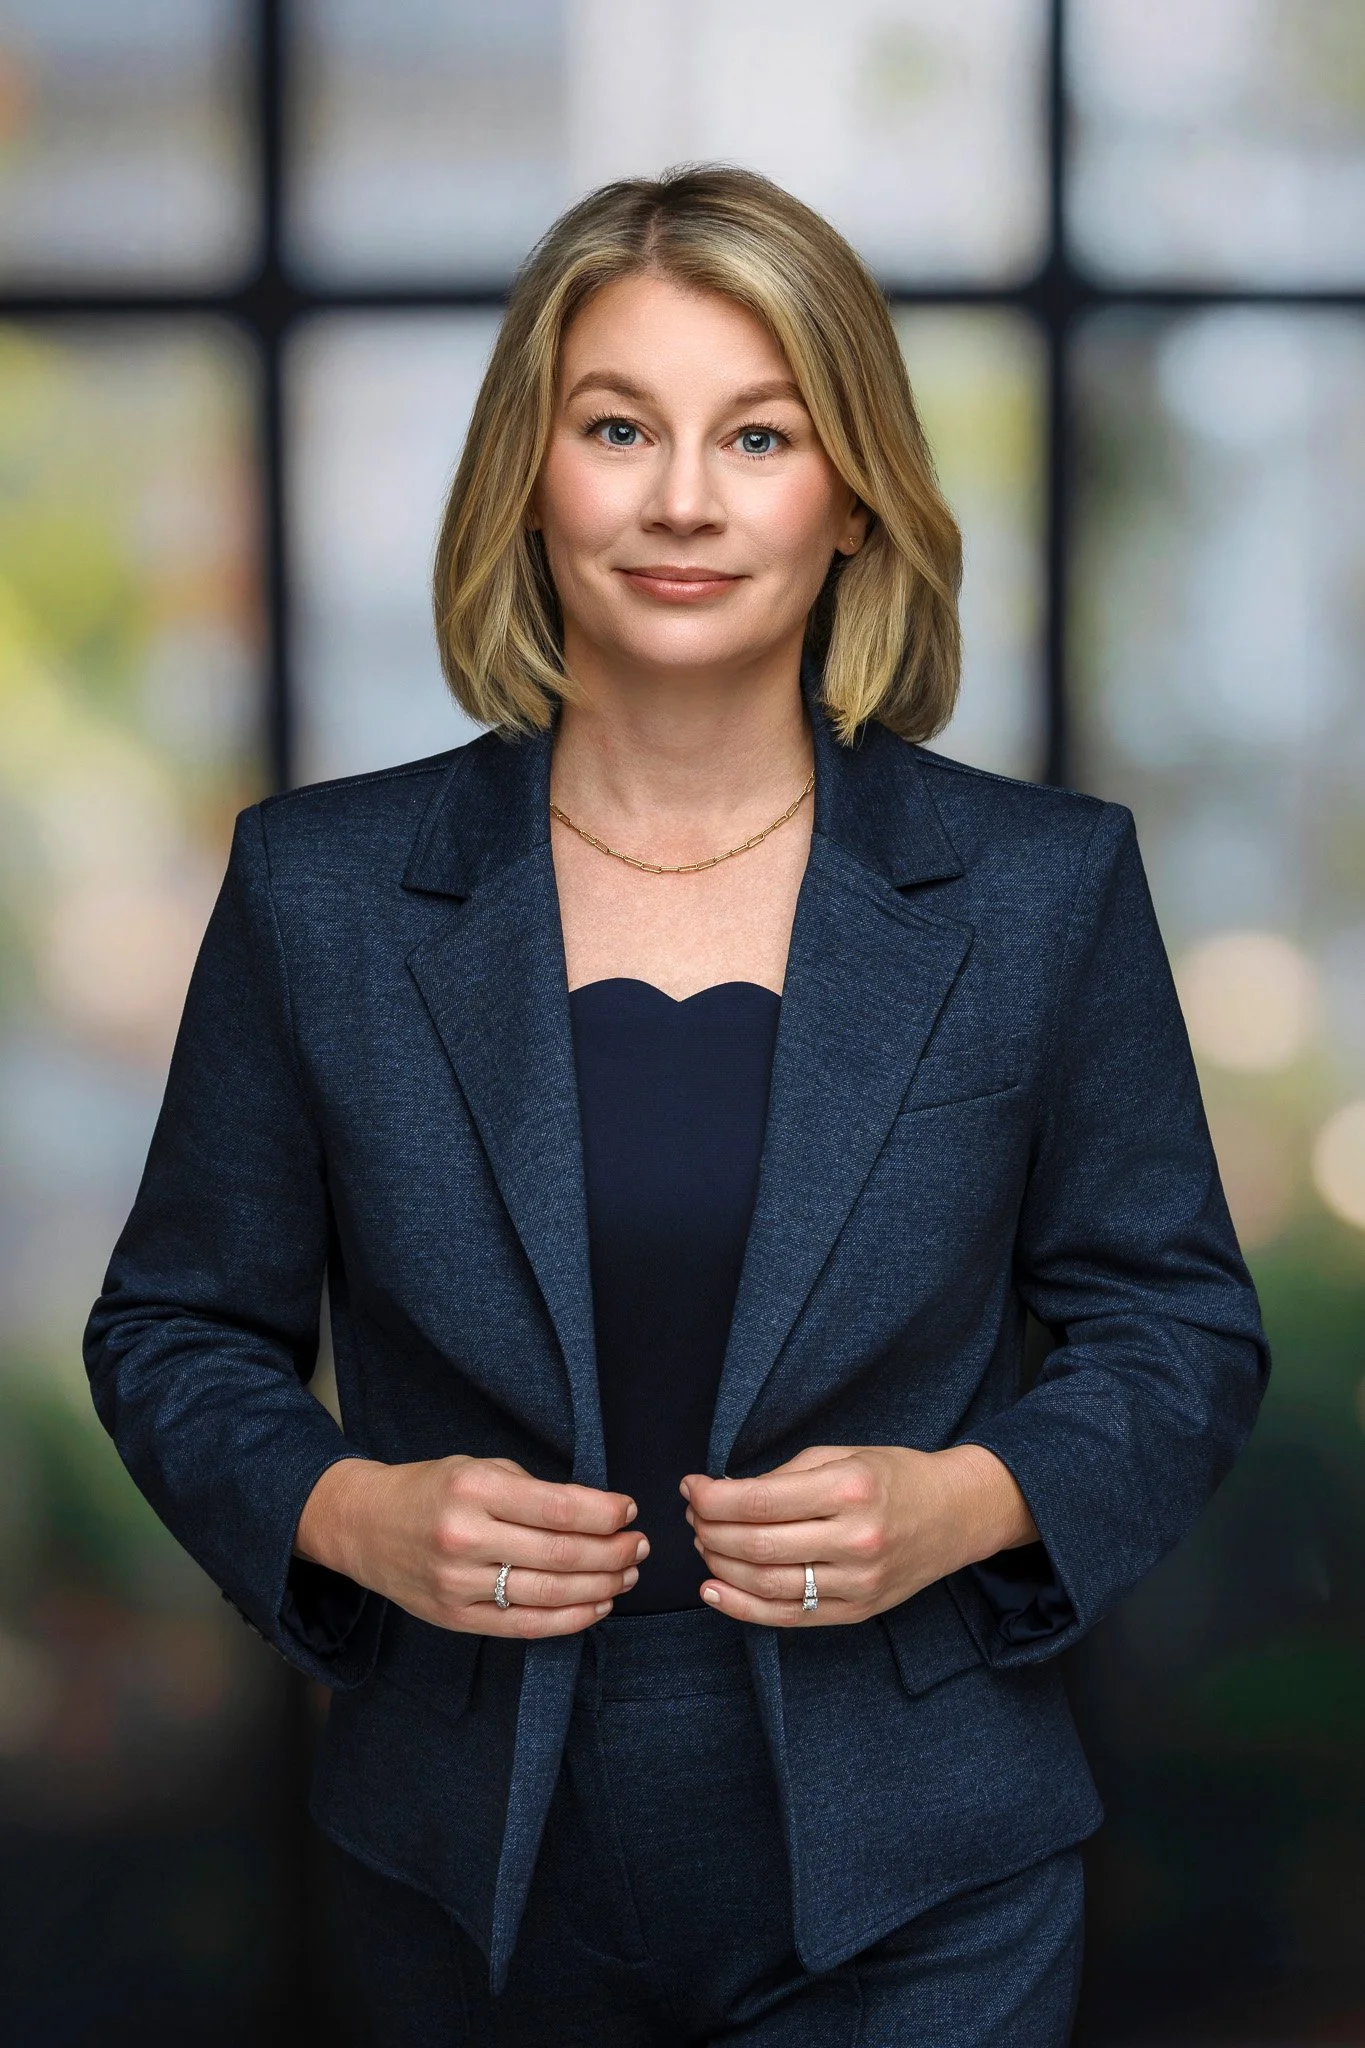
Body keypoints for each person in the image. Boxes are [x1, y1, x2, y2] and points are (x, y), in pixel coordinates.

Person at [84, 166, 1268, 2046]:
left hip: (929, 1869)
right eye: (618, 426)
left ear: (855, 484)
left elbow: (1178, 1324)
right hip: (460, 1867)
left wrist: (970, 1499)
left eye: (761, 433)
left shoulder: (1043, 890)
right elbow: (174, 1328)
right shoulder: (321, 892)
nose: (684, 500)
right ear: (528, 476)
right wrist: (341, 1511)